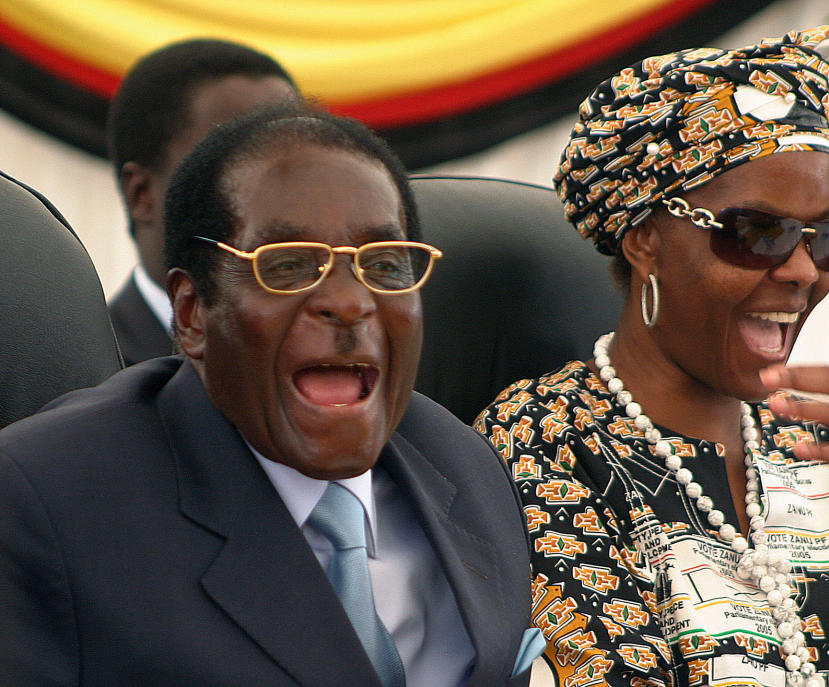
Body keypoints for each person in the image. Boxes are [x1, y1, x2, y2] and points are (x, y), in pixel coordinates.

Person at [476, 25, 829, 687]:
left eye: (823, 237)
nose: (799, 270)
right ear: (645, 240)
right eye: (758, 232)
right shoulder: (540, 444)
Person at [0, 105, 540, 686]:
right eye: (288, 266)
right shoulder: (46, 502)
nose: (350, 302)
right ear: (192, 314)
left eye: (383, 265)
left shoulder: (469, 466)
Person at [106, 38, 300, 365]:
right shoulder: (81, 378)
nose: (281, 196)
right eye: (236, 167)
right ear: (142, 195)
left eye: (295, 167)